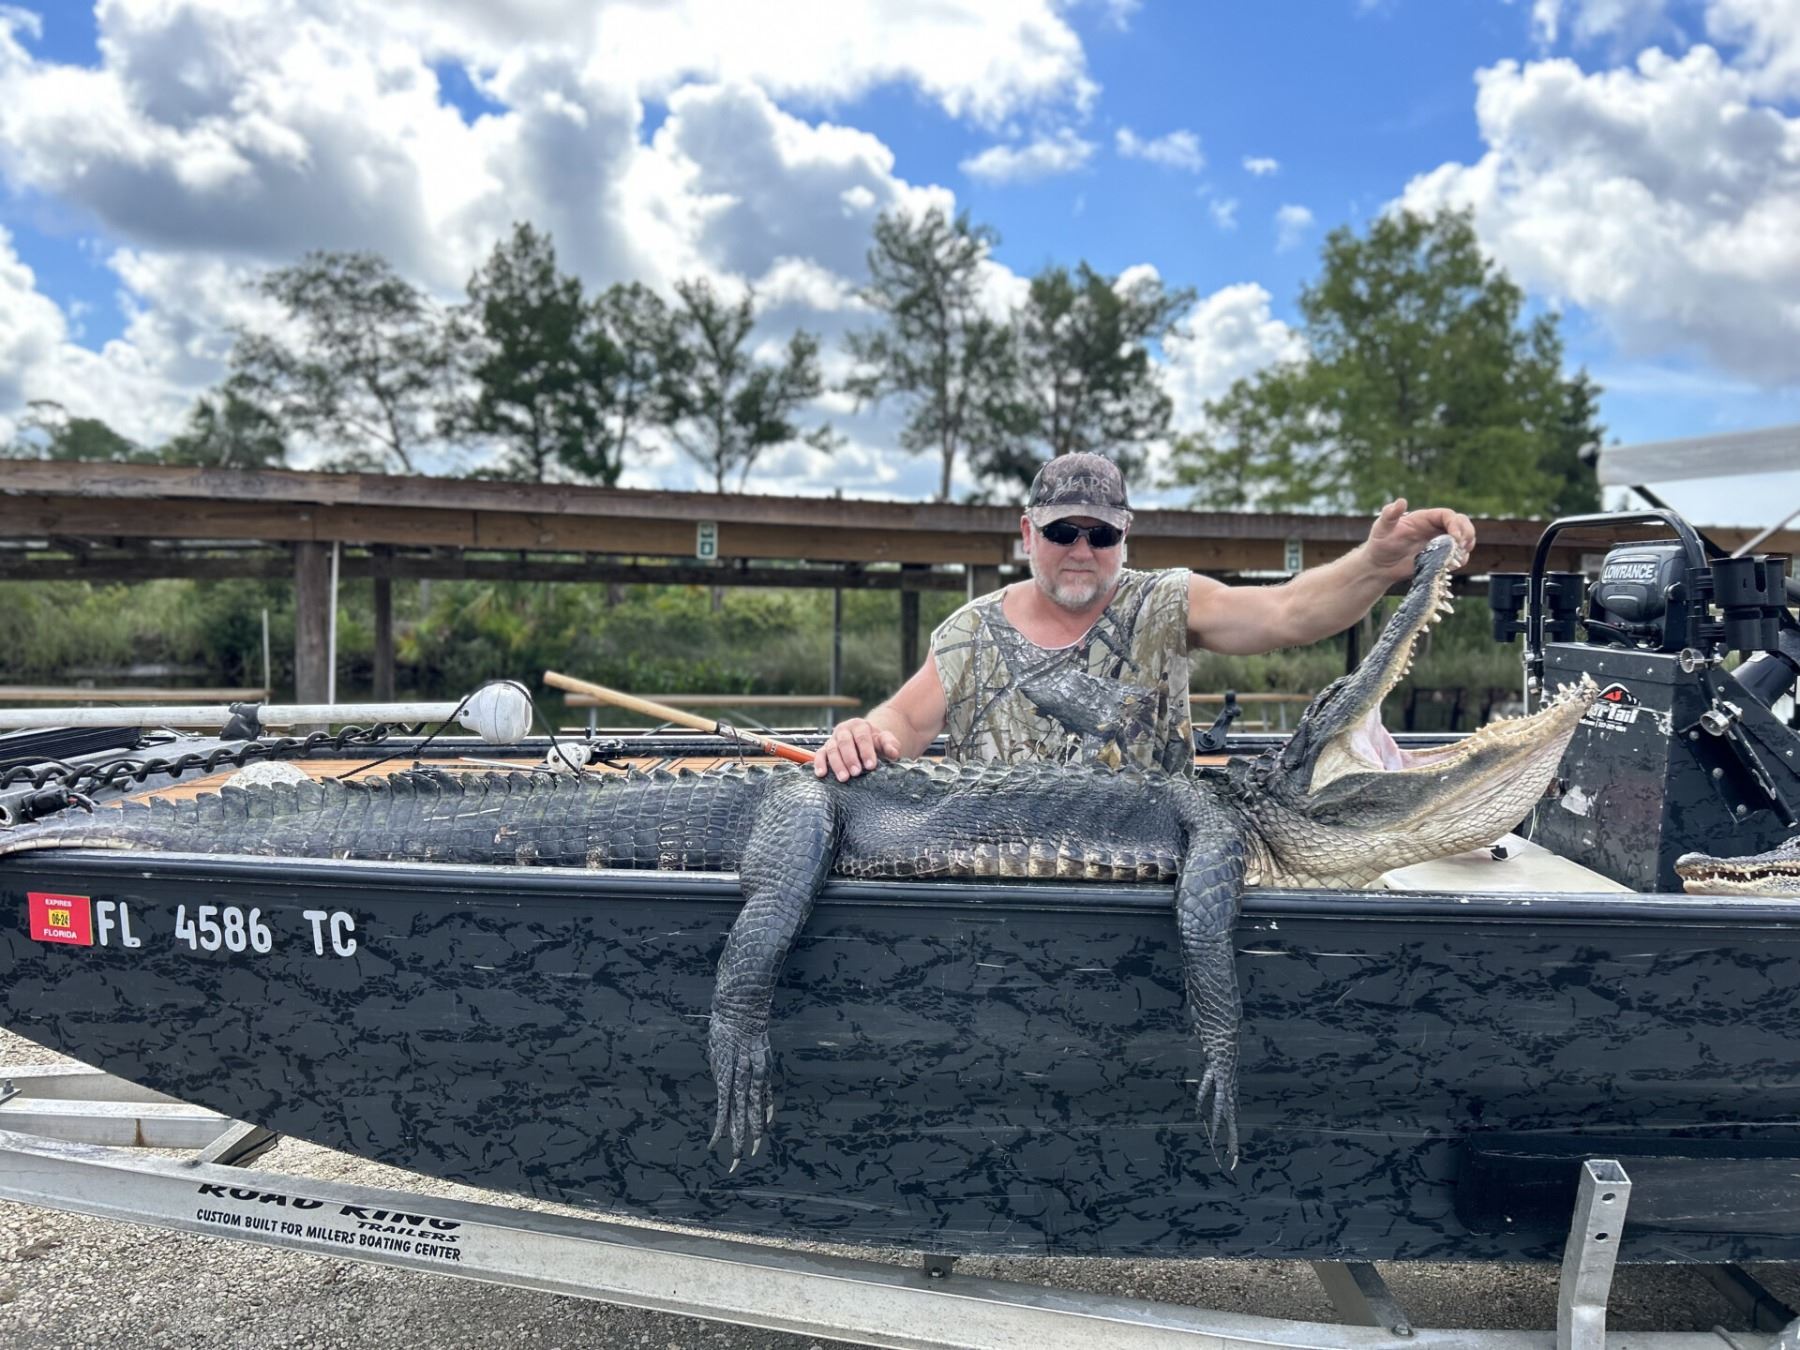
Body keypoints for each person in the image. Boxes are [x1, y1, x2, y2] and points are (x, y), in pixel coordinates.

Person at [814, 452, 1476, 781]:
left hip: (1151, 881)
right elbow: (905, 722)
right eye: (1062, 532)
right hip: (1002, 884)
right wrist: (863, 735)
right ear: (1027, 534)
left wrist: (1375, 563)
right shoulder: (970, 631)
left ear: (1124, 536)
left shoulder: (1165, 603)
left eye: (1100, 535)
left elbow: (1288, 610)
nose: (1081, 551)